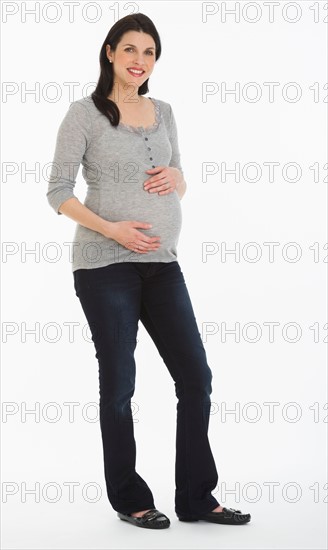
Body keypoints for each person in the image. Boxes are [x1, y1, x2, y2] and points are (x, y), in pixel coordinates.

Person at [46, 13, 251, 530]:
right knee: (120, 384)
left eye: (150, 53)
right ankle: (130, 497)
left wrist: (180, 178)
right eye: (131, 50)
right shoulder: (84, 114)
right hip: (104, 265)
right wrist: (113, 230)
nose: (140, 61)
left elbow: (176, 183)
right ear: (110, 52)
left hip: (162, 264)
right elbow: (58, 192)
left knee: (196, 378)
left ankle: (196, 498)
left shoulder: (164, 112)